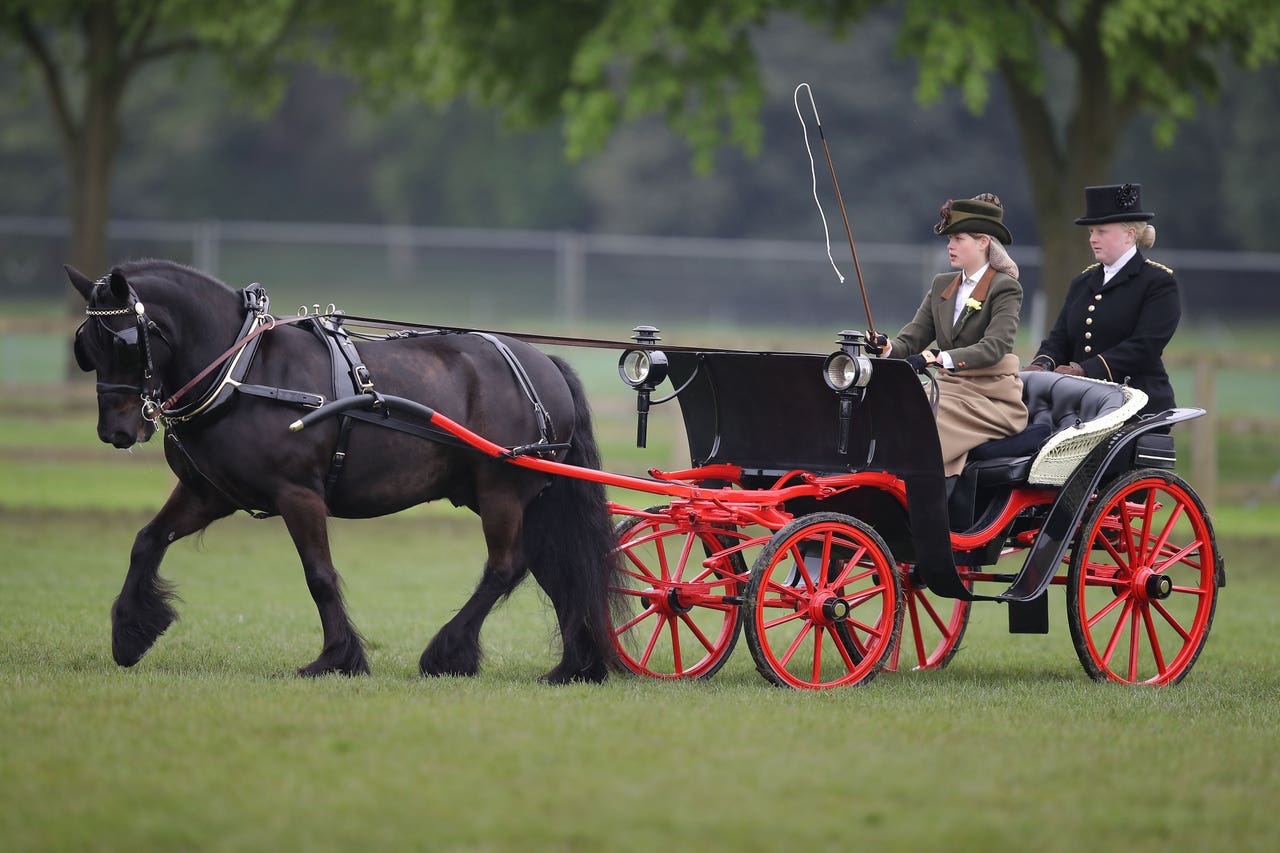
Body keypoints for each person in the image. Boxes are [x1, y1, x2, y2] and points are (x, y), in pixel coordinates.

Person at [868, 194, 1028, 477]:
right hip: (950, 389)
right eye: (949, 240)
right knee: (892, 409)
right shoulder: (942, 284)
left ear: (983, 242)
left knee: (924, 426)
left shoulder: (1005, 288)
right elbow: (912, 340)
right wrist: (886, 347)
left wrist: (938, 358)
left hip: (990, 397)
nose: (950, 246)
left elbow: (996, 346)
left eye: (958, 239)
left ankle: (927, 501)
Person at [1025, 183, 1179, 417]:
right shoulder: (1082, 282)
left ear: (1129, 235)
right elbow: (1060, 339)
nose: (1092, 239)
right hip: (1081, 405)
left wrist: (1084, 369)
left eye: (1101, 231)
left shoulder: (1157, 282)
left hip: (1137, 405)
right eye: (1090, 232)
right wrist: (1042, 365)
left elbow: (1144, 346)